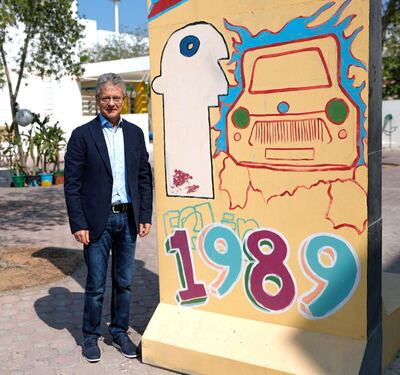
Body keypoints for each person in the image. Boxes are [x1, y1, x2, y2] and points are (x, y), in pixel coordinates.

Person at [64, 73, 153, 363]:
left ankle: (119, 332)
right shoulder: (82, 135)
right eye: (105, 98)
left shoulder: (135, 134)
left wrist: (145, 215)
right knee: (95, 284)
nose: (111, 103)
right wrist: (78, 223)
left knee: (124, 282)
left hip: (127, 219)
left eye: (116, 97)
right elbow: (72, 184)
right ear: (97, 100)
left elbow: (143, 177)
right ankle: (90, 336)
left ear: (123, 99)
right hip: (96, 224)